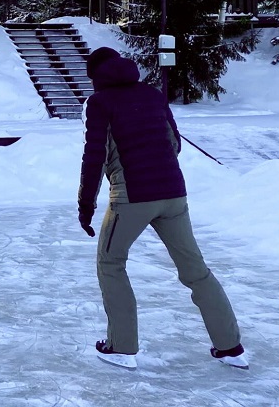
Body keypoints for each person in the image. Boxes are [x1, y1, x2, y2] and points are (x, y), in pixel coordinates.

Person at [78, 46, 248, 370]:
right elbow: (175, 143)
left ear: (95, 75)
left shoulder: (100, 103)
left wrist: (86, 206)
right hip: (174, 194)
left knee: (110, 263)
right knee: (196, 271)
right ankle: (231, 347)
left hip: (131, 197)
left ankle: (121, 347)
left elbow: (93, 157)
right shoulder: (153, 94)